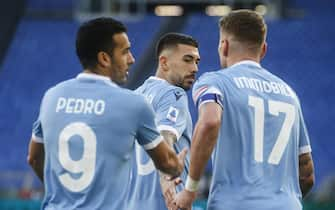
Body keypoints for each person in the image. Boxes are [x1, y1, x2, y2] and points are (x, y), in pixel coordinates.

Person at [27, 17, 186, 210]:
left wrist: (60, 192)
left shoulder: (51, 97)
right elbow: (167, 163)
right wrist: (178, 166)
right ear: (104, 58)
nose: (132, 59)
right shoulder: (132, 104)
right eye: (125, 52)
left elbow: (34, 158)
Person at [175, 9, 315, 210]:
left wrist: (189, 190)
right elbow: (307, 172)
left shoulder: (215, 83)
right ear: (263, 49)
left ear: (224, 46)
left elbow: (210, 122)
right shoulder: (289, 94)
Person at [128, 33, 200, 210]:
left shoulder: (132, 97)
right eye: (187, 60)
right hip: (168, 203)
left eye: (197, 61)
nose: (195, 68)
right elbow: (164, 135)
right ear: (164, 62)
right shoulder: (173, 94)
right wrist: (167, 175)